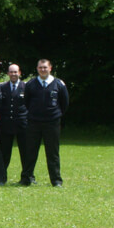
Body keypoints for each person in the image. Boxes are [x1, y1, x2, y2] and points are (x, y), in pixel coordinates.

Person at [22, 59, 69, 187]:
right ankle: (27, 178)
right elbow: (26, 102)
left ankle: (56, 181)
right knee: (30, 151)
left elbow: (64, 103)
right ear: (37, 69)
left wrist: (55, 115)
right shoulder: (31, 84)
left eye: (45, 67)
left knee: (52, 153)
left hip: (52, 123)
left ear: (50, 68)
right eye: (40, 68)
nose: (43, 70)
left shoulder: (59, 84)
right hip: (34, 123)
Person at [0, 64, 32, 182]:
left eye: (15, 72)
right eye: (11, 72)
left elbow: (30, 104)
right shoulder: (2, 87)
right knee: (4, 153)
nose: (13, 74)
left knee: (26, 152)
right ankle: (2, 177)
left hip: (22, 123)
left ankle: (27, 177)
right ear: (8, 73)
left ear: (20, 73)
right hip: (6, 123)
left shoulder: (26, 87)